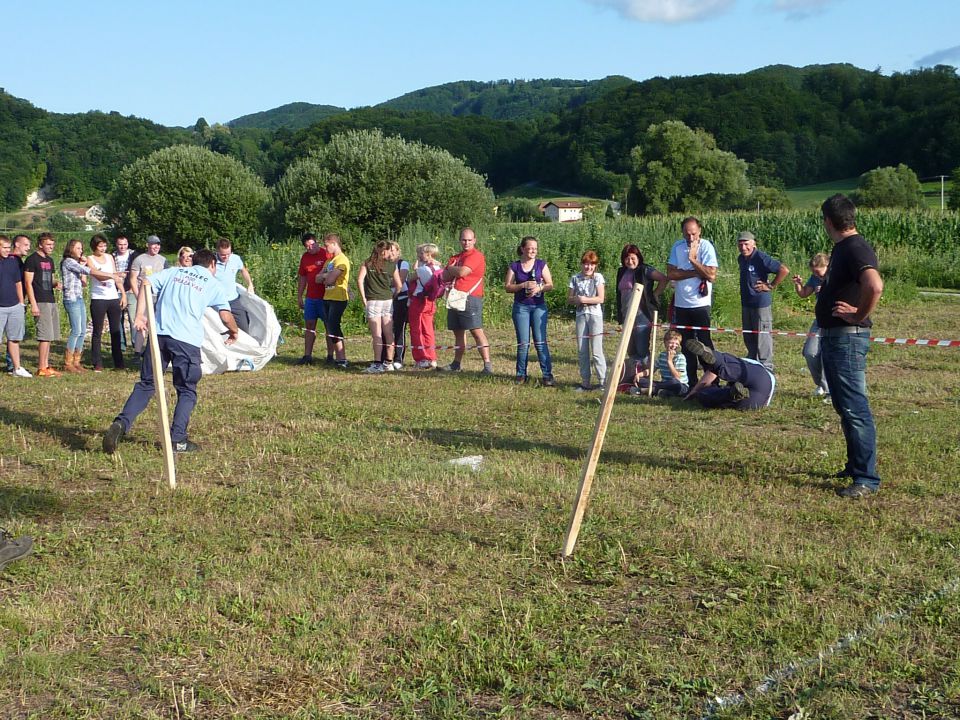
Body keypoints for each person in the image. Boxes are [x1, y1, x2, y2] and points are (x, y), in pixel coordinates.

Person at [102, 249, 239, 454]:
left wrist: (139, 315)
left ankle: (121, 424)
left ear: (194, 262)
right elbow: (226, 316)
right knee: (186, 389)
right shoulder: (212, 284)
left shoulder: (174, 272)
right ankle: (178, 440)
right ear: (212, 265)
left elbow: (146, 283)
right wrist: (234, 331)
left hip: (159, 336)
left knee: (147, 384)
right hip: (186, 341)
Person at [816, 194, 884, 498]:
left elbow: (875, 284)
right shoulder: (844, 247)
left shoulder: (855, 247)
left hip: (847, 337)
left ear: (829, 221)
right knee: (844, 405)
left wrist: (858, 314)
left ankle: (866, 478)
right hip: (835, 337)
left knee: (854, 406)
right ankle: (854, 465)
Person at [667, 216, 718, 386]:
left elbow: (711, 275)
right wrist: (695, 272)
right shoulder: (677, 246)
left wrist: (692, 260)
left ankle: (713, 380)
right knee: (687, 345)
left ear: (699, 231)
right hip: (681, 304)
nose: (690, 238)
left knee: (705, 344)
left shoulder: (706, 246)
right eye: (687, 234)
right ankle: (691, 383)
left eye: (693, 234)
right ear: (682, 232)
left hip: (700, 305)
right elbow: (671, 274)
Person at [60, 238, 121, 373]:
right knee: (76, 330)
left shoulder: (76, 262)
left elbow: (84, 282)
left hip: (79, 298)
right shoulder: (68, 262)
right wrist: (112, 275)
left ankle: (77, 361)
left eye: (81, 248)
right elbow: (90, 271)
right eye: (78, 248)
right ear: (70, 249)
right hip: (72, 298)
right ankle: (68, 363)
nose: (81, 251)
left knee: (82, 331)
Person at [440, 228, 492, 374]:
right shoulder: (456, 257)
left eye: (469, 240)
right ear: (460, 240)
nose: (466, 243)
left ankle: (487, 365)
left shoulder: (476, 256)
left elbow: (463, 272)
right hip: (455, 297)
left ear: (474, 240)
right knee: (458, 332)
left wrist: (451, 269)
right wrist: (453, 269)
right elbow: (444, 277)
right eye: (464, 240)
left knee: (476, 331)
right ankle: (456, 364)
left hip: (471, 297)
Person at [504, 235, 555, 386]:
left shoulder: (541, 265)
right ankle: (521, 374)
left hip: (539, 306)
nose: (533, 251)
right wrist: (522, 285)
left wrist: (540, 287)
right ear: (522, 249)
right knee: (523, 343)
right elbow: (507, 286)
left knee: (540, 342)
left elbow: (550, 284)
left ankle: (547, 375)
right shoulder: (515, 266)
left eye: (535, 248)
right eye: (530, 248)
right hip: (521, 307)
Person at [737, 230, 789, 370]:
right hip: (746, 303)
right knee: (749, 335)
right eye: (740, 244)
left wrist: (770, 285)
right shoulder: (741, 258)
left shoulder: (760, 257)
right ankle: (753, 364)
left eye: (746, 244)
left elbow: (783, 270)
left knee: (762, 337)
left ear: (753, 244)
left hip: (760, 303)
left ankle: (767, 368)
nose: (743, 248)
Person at [683, 339, 776, 410]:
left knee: (706, 395)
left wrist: (695, 391)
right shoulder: (750, 366)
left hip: (759, 379)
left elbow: (711, 373)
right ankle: (731, 393)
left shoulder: (747, 363)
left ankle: (717, 359)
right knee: (727, 391)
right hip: (760, 399)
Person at [615, 244, 667, 363]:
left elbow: (663, 278)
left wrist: (655, 294)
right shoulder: (622, 272)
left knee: (641, 349)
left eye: (633, 258)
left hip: (641, 315)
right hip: (626, 315)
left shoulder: (645, 270)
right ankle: (634, 376)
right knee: (630, 349)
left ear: (639, 258)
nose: (630, 261)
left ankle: (645, 376)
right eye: (627, 258)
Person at [357, 240, 402, 373]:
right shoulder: (392, 265)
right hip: (387, 300)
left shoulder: (367, 263)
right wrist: (393, 296)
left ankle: (377, 363)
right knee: (388, 333)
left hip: (373, 300)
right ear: (386, 251)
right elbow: (398, 286)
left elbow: (360, 280)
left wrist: (364, 297)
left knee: (377, 334)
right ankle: (389, 362)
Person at [23, 232, 62, 377]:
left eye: (52, 244)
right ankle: (41, 368)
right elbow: (28, 282)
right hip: (40, 300)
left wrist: (56, 283)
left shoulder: (50, 260)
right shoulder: (32, 260)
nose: (51, 247)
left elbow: (50, 280)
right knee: (44, 335)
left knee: (50, 335)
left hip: (50, 299)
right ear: (40, 244)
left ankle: (46, 365)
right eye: (48, 244)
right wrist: (33, 304)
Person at [86, 234, 127, 371]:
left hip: (113, 297)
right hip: (98, 298)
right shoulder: (90, 259)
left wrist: (122, 294)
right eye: (100, 246)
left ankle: (119, 362)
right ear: (94, 247)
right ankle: (97, 362)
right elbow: (96, 274)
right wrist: (112, 275)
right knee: (98, 331)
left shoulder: (110, 257)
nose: (103, 248)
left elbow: (116, 276)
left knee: (115, 330)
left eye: (104, 245)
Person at [793, 253, 831, 397]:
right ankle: (821, 384)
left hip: (834, 321)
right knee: (810, 352)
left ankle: (830, 391)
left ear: (827, 266)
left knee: (826, 355)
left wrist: (827, 290)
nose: (815, 274)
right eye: (813, 272)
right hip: (819, 320)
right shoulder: (815, 278)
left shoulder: (836, 275)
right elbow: (803, 294)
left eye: (818, 271)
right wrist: (798, 284)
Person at [567, 250, 606, 392]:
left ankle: (602, 381)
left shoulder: (598, 278)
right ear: (582, 264)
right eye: (585, 264)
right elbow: (569, 299)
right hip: (580, 315)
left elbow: (601, 298)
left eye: (591, 264)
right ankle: (585, 382)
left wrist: (585, 300)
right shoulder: (575, 278)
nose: (588, 267)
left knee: (596, 350)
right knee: (582, 350)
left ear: (595, 265)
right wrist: (576, 300)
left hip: (595, 316)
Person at [127, 235, 169, 355]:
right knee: (142, 325)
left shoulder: (163, 260)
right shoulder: (139, 260)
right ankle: (137, 352)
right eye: (154, 244)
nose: (156, 247)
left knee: (156, 326)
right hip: (144, 296)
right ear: (148, 245)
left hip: (159, 297)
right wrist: (137, 295)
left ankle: (152, 351)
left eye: (158, 244)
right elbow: (133, 279)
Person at [295, 232, 330, 365]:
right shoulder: (305, 258)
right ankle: (307, 355)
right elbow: (303, 277)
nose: (310, 248)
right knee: (309, 325)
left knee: (329, 326)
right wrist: (299, 295)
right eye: (307, 246)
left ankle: (330, 356)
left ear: (317, 242)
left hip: (326, 297)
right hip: (311, 298)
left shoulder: (326, 254)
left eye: (312, 244)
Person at [317, 233, 350, 369]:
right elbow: (317, 278)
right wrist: (326, 275)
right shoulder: (330, 261)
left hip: (338, 298)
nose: (325, 249)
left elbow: (330, 279)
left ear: (334, 244)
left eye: (327, 245)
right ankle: (339, 357)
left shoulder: (342, 260)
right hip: (327, 297)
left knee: (333, 326)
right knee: (331, 328)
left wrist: (326, 276)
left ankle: (342, 358)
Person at [0, 236, 31, 377]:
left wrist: (21, 303)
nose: (8, 250)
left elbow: (18, 283)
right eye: (5, 248)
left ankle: (17, 369)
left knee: (14, 338)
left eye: (8, 247)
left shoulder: (12, 262)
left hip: (14, 306)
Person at [408, 243, 442, 369]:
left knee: (417, 330)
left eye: (421, 253)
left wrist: (415, 268)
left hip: (419, 300)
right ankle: (432, 357)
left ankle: (421, 358)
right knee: (428, 330)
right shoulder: (438, 267)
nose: (418, 256)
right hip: (431, 301)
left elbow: (411, 279)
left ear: (428, 254)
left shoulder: (422, 270)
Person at [214, 237, 255, 334]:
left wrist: (250, 284)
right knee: (221, 328)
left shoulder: (235, 259)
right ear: (217, 251)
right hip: (217, 301)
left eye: (228, 254)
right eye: (223, 255)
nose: (226, 257)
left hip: (233, 300)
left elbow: (243, 270)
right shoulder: (211, 262)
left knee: (244, 326)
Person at [633, 329, 688, 397]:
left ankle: (647, 390)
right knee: (640, 381)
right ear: (665, 342)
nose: (674, 345)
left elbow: (677, 377)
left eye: (676, 344)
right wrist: (640, 374)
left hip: (680, 385)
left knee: (674, 382)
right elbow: (652, 369)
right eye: (671, 343)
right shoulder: (662, 355)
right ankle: (660, 391)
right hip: (664, 384)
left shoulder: (680, 357)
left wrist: (669, 361)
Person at [112, 235, 137, 352]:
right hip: (115, 290)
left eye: (124, 244)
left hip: (130, 290)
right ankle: (121, 345)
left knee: (133, 319)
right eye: (120, 244)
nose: (122, 247)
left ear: (128, 244)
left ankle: (136, 344)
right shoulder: (112, 256)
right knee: (118, 319)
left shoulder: (134, 256)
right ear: (116, 245)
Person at [387, 242, 410, 370]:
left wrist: (387, 282)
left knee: (399, 329)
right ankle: (386, 356)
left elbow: (399, 281)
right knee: (386, 329)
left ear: (398, 251)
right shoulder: (383, 264)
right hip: (386, 300)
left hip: (400, 299)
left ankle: (398, 358)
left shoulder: (403, 263)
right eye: (388, 250)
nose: (390, 253)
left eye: (393, 250)